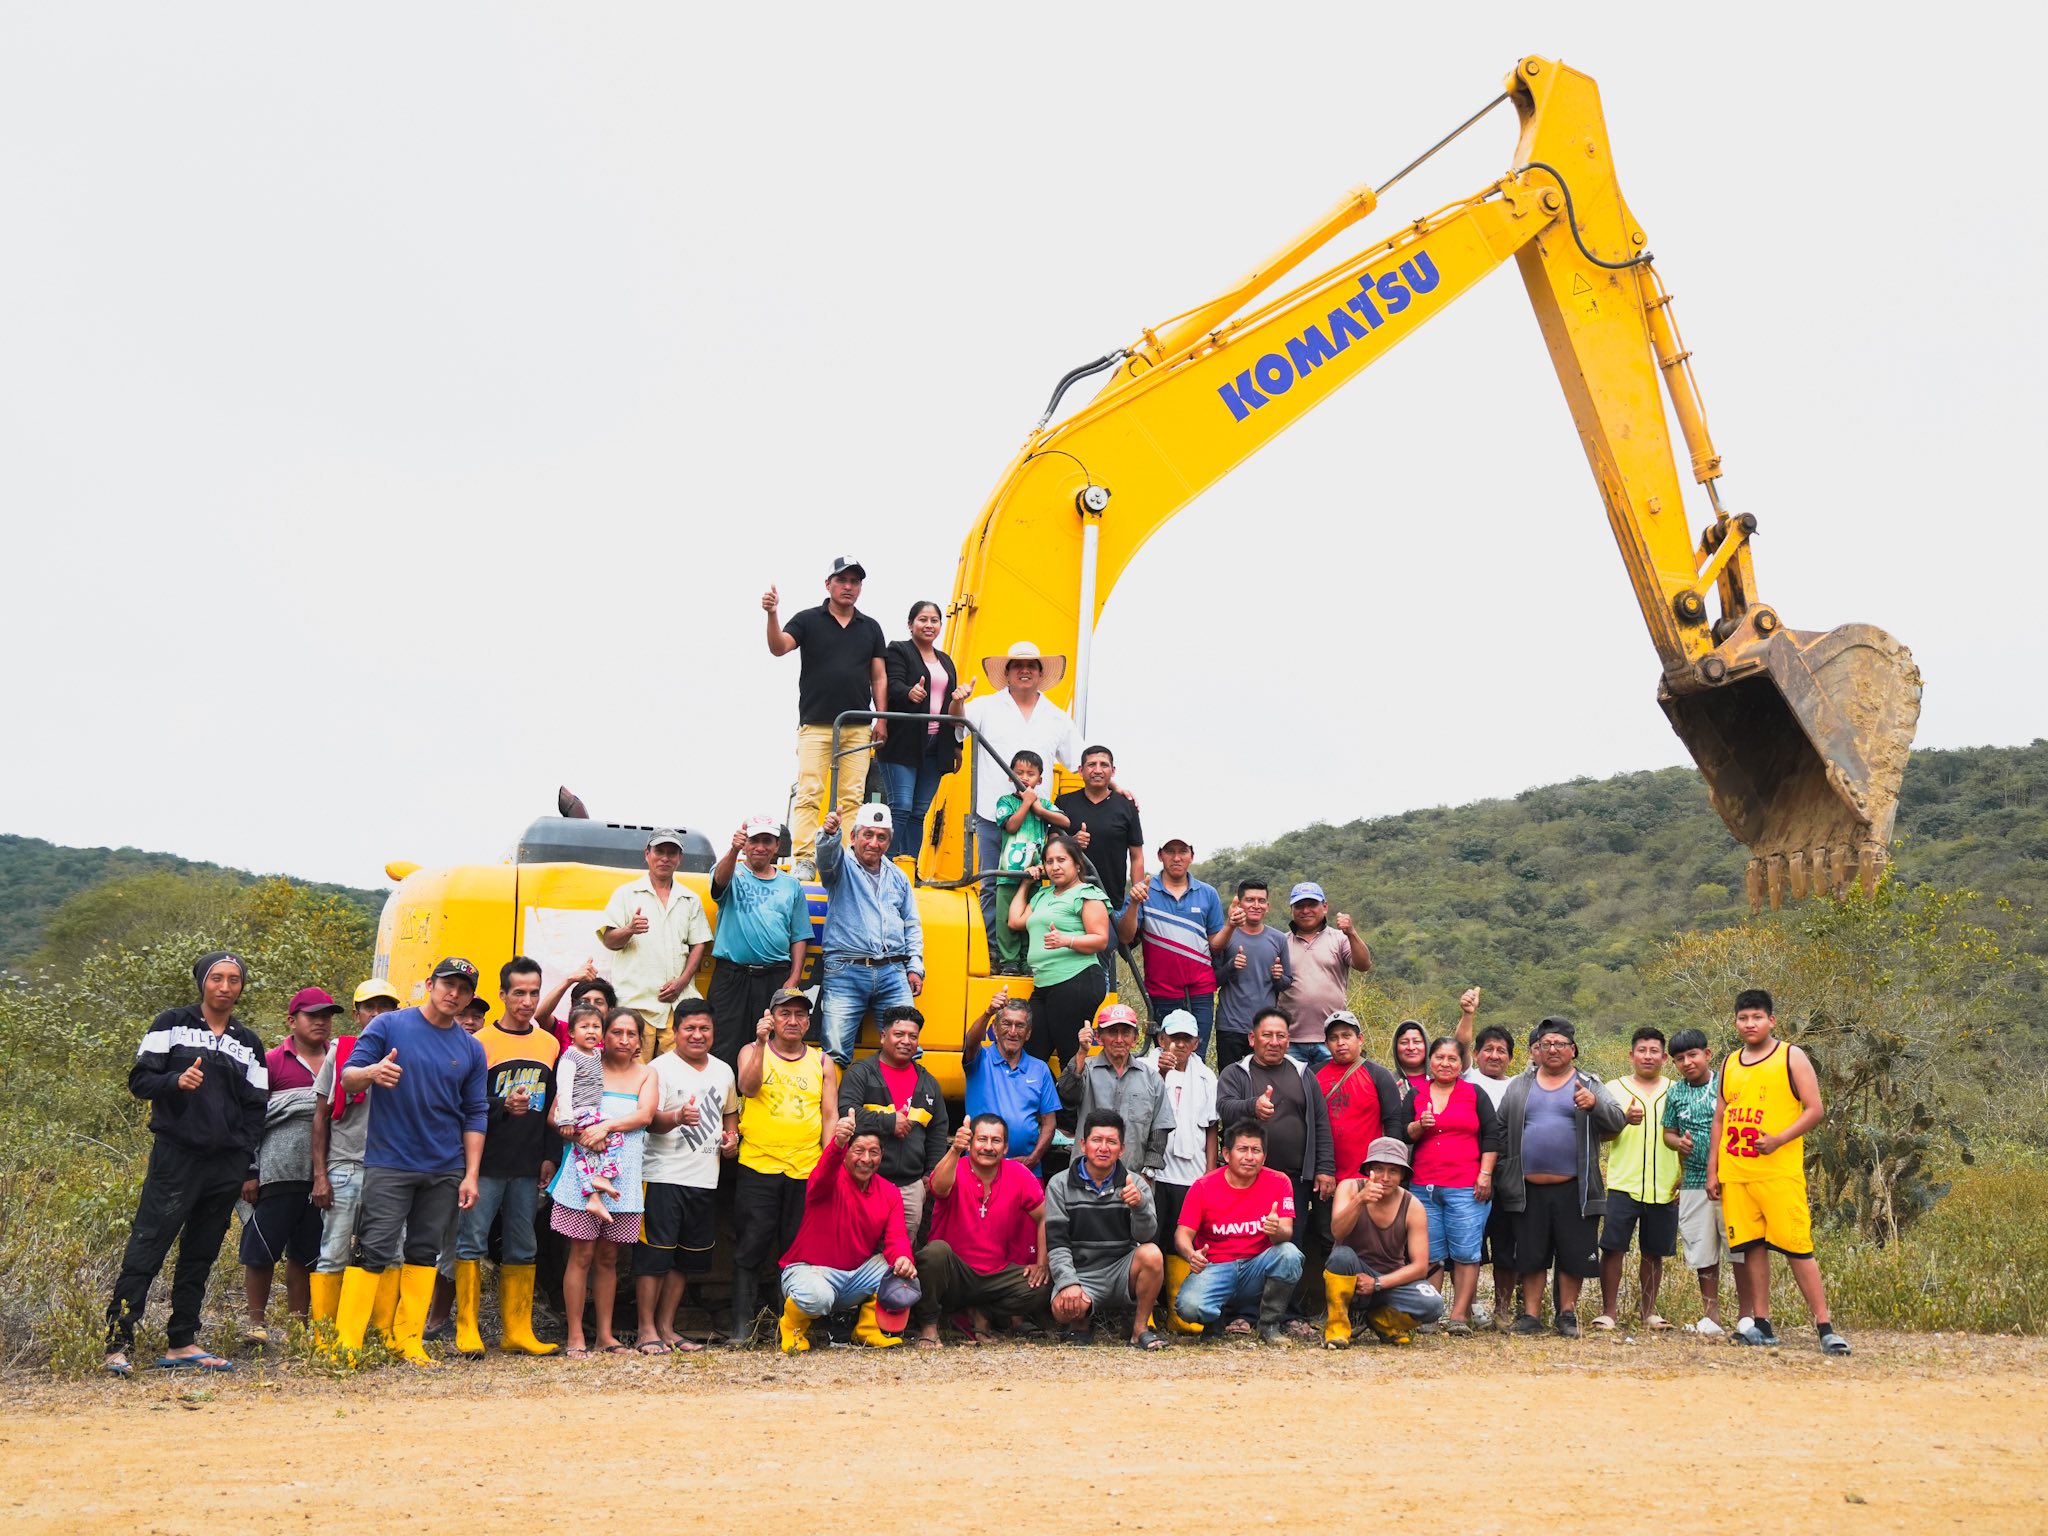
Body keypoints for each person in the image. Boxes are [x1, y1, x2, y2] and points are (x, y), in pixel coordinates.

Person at [104, 951, 266, 1375]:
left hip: (225, 1165)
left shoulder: (248, 1042)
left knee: (201, 1253)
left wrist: (242, 1157)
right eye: (217, 978)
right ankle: (117, 1343)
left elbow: (256, 1106)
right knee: (148, 1245)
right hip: (177, 1156)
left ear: (241, 987)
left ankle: (182, 1342)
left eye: (234, 979)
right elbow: (139, 1080)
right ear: (202, 982)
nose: (225, 987)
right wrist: (175, 1080)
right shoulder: (172, 1023)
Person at [333, 957, 490, 1367]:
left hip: (445, 1166)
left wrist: (471, 1174)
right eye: (447, 984)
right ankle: (347, 1344)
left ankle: (407, 1342)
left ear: (470, 997)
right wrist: (372, 1072)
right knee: (373, 1249)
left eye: (464, 989)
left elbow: (475, 1113)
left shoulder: (472, 1049)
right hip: (390, 1161)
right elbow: (348, 1077)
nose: (454, 994)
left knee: (424, 1252)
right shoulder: (388, 1026)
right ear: (429, 984)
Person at [1709, 988, 1850, 1355]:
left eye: (1757, 1017)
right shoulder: (1729, 1063)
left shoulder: (1791, 1056)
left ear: (1771, 1020)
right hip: (1737, 1173)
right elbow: (1720, 1117)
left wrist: (1779, 1140)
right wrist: (1713, 1170)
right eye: (1743, 1018)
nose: (1750, 1023)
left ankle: (1825, 1327)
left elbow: (1815, 1109)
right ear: (1735, 1023)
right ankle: (1762, 1323)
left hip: (1778, 1173)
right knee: (1752, 1247)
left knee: (1797, 1247)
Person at [452, 957, 562, 1357]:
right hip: (484, 1163)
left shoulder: (548, 1044)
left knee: (523, 1246)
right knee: (471, 1244)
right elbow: (461, 1103)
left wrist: (550, 1154)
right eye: (519, 993)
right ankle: (467, 1329)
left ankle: (517, 1330)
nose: (527, 1001)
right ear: (502, 995)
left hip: (527, 1164)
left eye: (534, 993)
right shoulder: (478, 1043)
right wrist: (502, 1106)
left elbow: (553, 1104)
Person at [1495, 1018, 1626, 1339]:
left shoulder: (1589, 1084)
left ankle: (1567, 1314)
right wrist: (1505, 1169)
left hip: (1575, 1188)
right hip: (1527, 1188)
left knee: (1572, 1253)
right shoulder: (1519, 1085)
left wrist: (1594, 1106)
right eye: (1546, 1044)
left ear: (1573, 1049)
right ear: (1537, 1050)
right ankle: (1530, 1315)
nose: (1552, 1049)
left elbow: (1618, 1120)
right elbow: (1500, 1129)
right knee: (1531, 1254)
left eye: (1560, 1044)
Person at [763, 555, 890, 877]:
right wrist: (773, 614)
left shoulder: (871, 627)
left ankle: (847, 859)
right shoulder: (808, 619)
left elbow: (879, 677)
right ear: (828, 584)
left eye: (854, 581)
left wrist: (882, 718)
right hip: (816, 723)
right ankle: (805, 858)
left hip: (857, 725)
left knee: (852, 797)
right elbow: (779, 647)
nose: (848, 586)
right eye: (842, 580)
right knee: (809, 793)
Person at [961, 640, 1086, 958]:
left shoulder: (1057, 717)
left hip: (1037, 820)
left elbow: (1081, 761)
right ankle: (993, 953)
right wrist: (957, 701)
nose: (1025, 670)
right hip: (993, 814)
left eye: (1031, 665)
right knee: (993, 884)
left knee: (1037, 882)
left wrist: (1115, 785)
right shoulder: (984, 706)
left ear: (1041, 674)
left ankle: (1031, 954)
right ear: (1007, 673)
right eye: (1018, 665)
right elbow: (956, 727)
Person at [544, 1008, 657, 1357]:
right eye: (616, 1032)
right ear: (604, 1036)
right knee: (581, 1254)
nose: (623, 1039)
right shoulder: (586, 1064)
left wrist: (606, 1127)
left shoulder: (646, 1074)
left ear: (639, 1041)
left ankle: (605, 1336)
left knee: (609, 1256)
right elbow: (555, 1116)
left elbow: (645, 1115)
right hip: (583, 1174)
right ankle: (576, 1335)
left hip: (623, 1176)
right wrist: (582, 1135)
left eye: (631, 1034)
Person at [731, 989, 839, 1343]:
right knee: (751, 1246)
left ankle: (790, 1327)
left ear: (809, 1022)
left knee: (796, 1251)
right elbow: (747, 1087)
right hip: (758, 1165)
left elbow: (829, 1115)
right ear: (772, 1018)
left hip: (805, 1169)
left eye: (800, 1015)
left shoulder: (822, 1062)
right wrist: (761, 1044)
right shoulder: (751, 1050)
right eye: (785, 1014)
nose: (793, 1021)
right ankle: (742, 1327)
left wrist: (828, 1165)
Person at [1216, 1010, 1334, 1324]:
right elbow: (1224, 1107)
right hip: (1247, 1180)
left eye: (1280, 1036)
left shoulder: (1302, 1073)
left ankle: (1287, 1314)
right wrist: (1252, 1106)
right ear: (1252, 1038)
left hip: (1293, 1181)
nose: (1274, 1042)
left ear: (1289, 1040)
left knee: (1291, 1245)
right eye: (1267, 1035)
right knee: (1247, 1245)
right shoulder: (1236, 1072)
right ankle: (1243, 1314)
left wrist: (1325, 1168)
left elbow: (1320, 1122)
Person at [635, 998, 737, 1354]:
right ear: (675, 1032)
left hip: (704, 1178)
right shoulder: (658, 1069)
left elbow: (730, 1114)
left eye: (704, 1028)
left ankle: (667, 1328)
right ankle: (645, 1330)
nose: (697, 1035)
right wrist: (677, 1117)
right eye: (689, 1028)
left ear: (713, 1032)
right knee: (653, 1258)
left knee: (685, 1259)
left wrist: (732, 1139)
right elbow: (648, 1120)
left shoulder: (724, 1071)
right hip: (662, 1176)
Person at [239, 986, 337, 1344]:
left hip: (323, 1176)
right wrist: (249, 1171)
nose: (321, 1022)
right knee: (262, 1249)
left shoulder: (340, 1060)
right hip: (276, 1172)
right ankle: (256, 1323)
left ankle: (299, 1327)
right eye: (312, 1015)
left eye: (326, 1016)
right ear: (292, 1021)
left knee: (307, 1253)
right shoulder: (271, 1062)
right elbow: (251, 1118)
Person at [777, 1115, 921, 1353]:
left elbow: (897, 1238)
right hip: (809, 1271)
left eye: (874, 1152)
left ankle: (867, 1329)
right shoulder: (828, 1180)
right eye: (858, 1151)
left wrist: (904, 1259)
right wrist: (838, 1144)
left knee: (899, 1271)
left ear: (882, 1155)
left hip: (855, 1276)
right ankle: (792, 1327)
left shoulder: (890, 1192)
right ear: (846, 1153)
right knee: (818, 1297)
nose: (866, 1159)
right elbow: (823, 1173)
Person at [911, 1115, 1055, 1347]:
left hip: (995, 1276)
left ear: (1005, 1148)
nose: (988, 1147)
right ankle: (929, 1326)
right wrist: (955, 1150)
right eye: (982, 1139)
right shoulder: (955, 1165)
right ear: (970, 1144)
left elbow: (1045, 1216)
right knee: (934, 1253)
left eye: (996, 1141)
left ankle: (983, 1311)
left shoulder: (1018, 1173)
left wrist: (1041, 1263)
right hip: (954, 1274)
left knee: (1043, 1285)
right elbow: (938, 1188)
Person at [308, 978, 400, 1326]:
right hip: (346, 1167)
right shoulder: (341, 1052)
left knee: (393, 1254)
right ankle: (325, 1337)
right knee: (333, 1253)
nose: (377, 1014)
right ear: (357, 1014)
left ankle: (380, 1332)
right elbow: (320, 1117)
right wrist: (320, 1175)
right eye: (369, 1008)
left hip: (394, 1170)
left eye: (385, 1008)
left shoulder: (410, 1053)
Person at [1043, 1110, 1170, 1350]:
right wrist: (1069, 1283)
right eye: (1097, 1140)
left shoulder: (1135, 1183)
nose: (1103, 1148)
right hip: (1083, 1273)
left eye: (1111, 1142)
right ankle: (1080, 1325)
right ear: (1083, 1145)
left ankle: (1140, 1329)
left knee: (1152, 1254)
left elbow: (1145, 1236)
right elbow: (1057, 1243)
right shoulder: (1059, 1184)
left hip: (1122, 1270)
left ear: (1121, 1149)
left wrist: (1139, 1206)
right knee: (1062, 1309)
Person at [1171, 1121, 1304, 1344]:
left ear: (1264, 1156)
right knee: (1189, 1307)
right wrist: (1190, 1255)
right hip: (1215, 1267)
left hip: (1256, 1268)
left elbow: (1286, 1233)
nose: (1249, 1157)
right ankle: (1214, 1321)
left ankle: (1269, 1324)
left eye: (1256, 1150)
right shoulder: (1203, 1186)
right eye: (1242, 1149)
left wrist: (1276, 1230)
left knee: (1289, 1254)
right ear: (1226, 1154)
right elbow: (1182, 1235)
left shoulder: (1279, 1182)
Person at [1404, 1035, 1502, 1333]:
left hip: (1465, 1186)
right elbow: (1400, 1134)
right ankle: (1430, 1316)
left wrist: (1485, 1174)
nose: (1445, 1063)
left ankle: (1459, 1317)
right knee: (1430, 1254)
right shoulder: (1416, 1094)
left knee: (1466, 1252)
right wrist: (1419, 1125)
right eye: (1439, 1057)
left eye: (1452, 1058)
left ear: (1462, 1063)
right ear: (1430, 1061)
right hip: (1423, 1186)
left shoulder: (1474, 1093)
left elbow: (1492, 1136)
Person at [815, 804, 924, 1067]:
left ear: (889, 841)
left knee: (908, 1048)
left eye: (881, 837)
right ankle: (834, 1097)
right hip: (846, 971)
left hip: (893, 972)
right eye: (868, 835)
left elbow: (911, 924)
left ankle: (903, 1097)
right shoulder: (840, 866)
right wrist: (829, 835)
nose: (874, 843)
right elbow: (826, 860)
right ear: (853, 837)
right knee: (835, 1053)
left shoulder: (898, 876)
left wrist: (915, 966)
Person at [834, 1005, 950, 1242]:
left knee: (902, 1252)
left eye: (913, 1036)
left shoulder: (928, 1083)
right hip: (865, 1182)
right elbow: (845, 1111)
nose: (906, 1041)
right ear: (883, 1036)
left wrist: (931, 1173)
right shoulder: (861, 1073)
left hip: (910, 1188)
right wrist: (888, 1122)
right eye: (899, 1034)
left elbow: (938, 1132)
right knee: (859, 1248)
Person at [706, 816, 813, 1074]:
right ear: (745, 844)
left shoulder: (791, 885)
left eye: (767, 841)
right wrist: (733, 850)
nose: (760, 847)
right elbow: (719, 883)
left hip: (774, 977)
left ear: (777, 846)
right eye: (754, 840)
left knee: (771, 1045)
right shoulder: (732, 871)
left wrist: (794, 978)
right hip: (732, 975)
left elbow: (799, 935)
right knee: (723, 1046)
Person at [598, 829, 713, 1061]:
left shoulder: (690, 899)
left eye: (672, 853)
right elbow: (609, 940)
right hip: (636, 1003)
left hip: (677, 1005)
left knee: (677, 1074)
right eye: (659, 851)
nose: (665, 858)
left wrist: (682, 982)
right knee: (633, 1070)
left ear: (680, 858)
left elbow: (699, 944)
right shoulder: (626, 894)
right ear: (647, 854)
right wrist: (629, 929)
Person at [1594, 1026, 1680, 1332]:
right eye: (1642, 1050)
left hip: (1665, 1185)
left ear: (1665, 1058)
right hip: (1623, 1183)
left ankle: (1649, 1312)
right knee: (1613, 1248)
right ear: (1631, 1055)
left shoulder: (1676, 1090)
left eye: (1654, 1051)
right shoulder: (1612, 1089)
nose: (1648, 1056)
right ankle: (1609, 1312)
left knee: (1654, 1252)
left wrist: (1684, 1175)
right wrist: (1623, 1121)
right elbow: (1599, 1135)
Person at [1323, 1137, 1445, 1347]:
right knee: (1340, 1256)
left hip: (1389, 1281)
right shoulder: (1349, 1187)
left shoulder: (1413, 1205)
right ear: (1367, 1169)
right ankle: (1337, 1329)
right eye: (1378, 1169)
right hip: (1352, 1276)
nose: (1385, 1178)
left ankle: (1382, 1321)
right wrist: (1360, 1200)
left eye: (1393, 1171)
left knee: (1433, 1304)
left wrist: (1377, 1284)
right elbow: (1337, 1232)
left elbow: (1420, 1266)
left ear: (1402, 1175)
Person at [1115, 837, 1227, 1058]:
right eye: (1170, 851)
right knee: (1164, 1058)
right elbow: (1125, 937)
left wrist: (1232, 925)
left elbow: (1215, 946)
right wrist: (1135, 903)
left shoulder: (1208, 893)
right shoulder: (1145, 891)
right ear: (1160, 855)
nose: (1176, 857)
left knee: (1197, 1057)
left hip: (1201, 992)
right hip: (1161, 991)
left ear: (1191, 856)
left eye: (1182, 851)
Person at [878, 599, 971, 859]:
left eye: (934, 620)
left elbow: (951, 704)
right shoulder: (898, 650)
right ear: (911, 624)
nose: (928, 625)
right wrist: (909, 692)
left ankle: (910, 868)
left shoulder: (946, 661)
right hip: (903, 741)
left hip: (937, 744)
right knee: (901, 806)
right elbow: (891, 683)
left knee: (919, 812)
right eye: (922, 619)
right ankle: (887, 864)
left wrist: (956, 746)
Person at [1011, 833, 1111, 1070]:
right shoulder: (1043, 895)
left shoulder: (1087, 893)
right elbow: (1015, 921)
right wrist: (1026, 883)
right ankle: (1044, 1096)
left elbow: (1101, 940)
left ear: (1077, 864)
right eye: (1049, 861)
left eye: (1061, 860)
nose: (1055, 867)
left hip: (1076, 980)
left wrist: (1067, 940)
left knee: (1070, 1055)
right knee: (1032, 1055)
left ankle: (1076, 1096)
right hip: (1044, 985)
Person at [1146, 1009, 1217, 1335]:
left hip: (1191, 1174)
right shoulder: (1146, 1067)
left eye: (1186, 1039)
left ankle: (1178, 1313)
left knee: (1181, 1242)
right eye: (1173, 1038)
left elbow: (1212, 1128)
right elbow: (1144, 1111)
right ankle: (1145, 1310)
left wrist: (1210, 1172)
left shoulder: (1206, 1077)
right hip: (1154, 1171)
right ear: (1161, 1039)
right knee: (1150, 1238)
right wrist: (1161, 1073)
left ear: (1196, 1042)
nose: (1179, 1044)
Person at [1055, 744, 1145, 987]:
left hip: (1110, 902)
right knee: (1067, 965)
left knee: (1101, 969)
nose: (1097, 770)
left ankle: (1100, 1011)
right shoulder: (1064, 802)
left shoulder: (1126, 806)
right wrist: (1071, 842)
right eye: (1091, 765)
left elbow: (1136, 855)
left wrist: (1137, 893)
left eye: (1104, 765)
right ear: (1080, 770)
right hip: (1068, 900)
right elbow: (1051, 844)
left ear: (1113, 771)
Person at [1661, 1026, 1729, 1336]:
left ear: (1707, 1054)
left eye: (1692, 1055)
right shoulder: (1675, 1093)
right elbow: (1668, 1133)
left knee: (1740, 1249)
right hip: (1693, 1181)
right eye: (1679, 1058)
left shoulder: (1726, 1084)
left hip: (1730, 1179)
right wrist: (1678, 1143)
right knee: (1702, 1251)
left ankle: (1750, 1316)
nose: (1687, 1062)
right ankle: (1711, 1318)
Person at [1058, 1003, 1174, 1176]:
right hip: (1085, 1179)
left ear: (1135, 1039)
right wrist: (1082, 1052)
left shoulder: (1151, 1078)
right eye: (1112, 1032)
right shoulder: (1085, 1069)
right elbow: (1067, 1094)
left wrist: (1149, 1172)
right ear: (1098, 1036)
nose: (1119, 1039)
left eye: (1126, 1033)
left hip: (1132, 1179)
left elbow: (1159, 1128)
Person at [990, 749, 1074, 975]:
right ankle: (1009, 961)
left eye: (1030, 774)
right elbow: (1011, 826)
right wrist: (1027, 803)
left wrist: (1037, 807)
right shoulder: (1005, 802)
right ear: (1010, 776)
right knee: (1005, 919)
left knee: (1031, 918)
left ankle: (1028, 961)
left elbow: (1065, 821)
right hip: (1008, 873)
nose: (1024, 778)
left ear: (1040, 779)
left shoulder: (1043, 804)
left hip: (1036, 872)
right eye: (1019, 773)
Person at [1315, 1011, 1410, 1206]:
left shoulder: (1379, 1076)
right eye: (1334, 1038)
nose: (1340, 1043)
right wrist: (1321, 1169)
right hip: (1326, 1177)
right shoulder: (1313, 1074)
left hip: (1369, 1179)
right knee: (1327, 1225)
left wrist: (1390, 1174)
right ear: (1326, 1044)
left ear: (1360, 1039)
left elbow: (1393, 1126)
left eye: (1346, 1036)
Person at [1278, 883, 1372, 1075]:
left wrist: (1351, 932)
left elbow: (1363, 965)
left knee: (1335, 1089)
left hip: (1332, 1040)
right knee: (1293, 1091)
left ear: (1325, 907)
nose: (1306, 910)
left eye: (1312, 904)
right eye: (1299, 906)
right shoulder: (1280, 942)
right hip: (1291, 1040)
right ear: (1291, 910)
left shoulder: (1340, 939)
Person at [961, 988, 1058, 1172]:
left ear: (1028, 1033)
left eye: (1020, 1026)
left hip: (1026, 1170)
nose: (1013, 1032)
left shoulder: (1040, 1069)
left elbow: (1049, 1123)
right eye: (1006, 1023)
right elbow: (971, 1042)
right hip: (980, 1167)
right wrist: (988, 1012)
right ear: (995, 1029)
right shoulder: (980, 1060)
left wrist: (1033, 1159)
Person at [1462, 1021, 1521, 1323]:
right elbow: (1460, 1042)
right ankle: (1469, 1308)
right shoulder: (1468, 1078)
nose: (1495, 1055)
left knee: (1505, 1245)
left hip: (1508, 1176)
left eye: (1502, 1051)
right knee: (1470, 1244)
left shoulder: (1517, 1086)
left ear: (1510, 1057)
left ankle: (1502, 1309)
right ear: (1476, 1053)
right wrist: (1467, 1013)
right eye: (1488, 1049)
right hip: (1470, 1172)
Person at [1213, 881, 1296, 1066]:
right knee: (1229, 1078)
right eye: (1250, 900)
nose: (1256, 905)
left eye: (1261, 901)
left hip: (1265, 1029)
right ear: (1239, 903)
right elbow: (1213, 981)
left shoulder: (1278, 939)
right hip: (1230, 1025)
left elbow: (1286, 982)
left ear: (1268, 906)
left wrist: (1278, 977)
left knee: (1264, 1079)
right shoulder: (1226, 936)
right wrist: (1231, 966)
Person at [558, 1007, 624, 1215]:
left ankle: (593, 1198)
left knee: (585, 1154)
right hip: (579, 1112)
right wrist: (566, 1120)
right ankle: (605, 1175)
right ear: (571, 1032)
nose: (591, 1031)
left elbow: (611, 1052)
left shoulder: (596, 1053)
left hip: (590, 1112)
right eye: (584, 1026)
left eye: (596, 1027)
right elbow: (564, 1090)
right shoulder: (570, 1057)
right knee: (614, 1130)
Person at [1391, 1019, 1429, 1093]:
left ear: (1427, 1045)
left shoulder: (1444, 1079)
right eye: (1404, 1042)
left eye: (1417, 1042)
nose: (1411, 1048)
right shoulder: (1387, 1082)